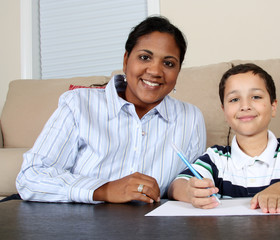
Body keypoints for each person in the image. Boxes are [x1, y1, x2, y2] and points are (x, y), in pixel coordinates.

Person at [16, 16, 206, 204]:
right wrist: (104, 190)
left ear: (178, 72)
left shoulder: (191, 118)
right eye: (144, 57)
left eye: (169, 63)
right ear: (125, 61)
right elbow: (30, 177)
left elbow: (188, 180)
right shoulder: (78, 104)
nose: (155, 71)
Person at [168, 63, 280, 213]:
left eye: (256, 96)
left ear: (273, 106)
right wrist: (189, 191)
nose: (245, 106)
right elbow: (177, 186)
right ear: (224, 112)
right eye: (234, 99)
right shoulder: (216, 157)